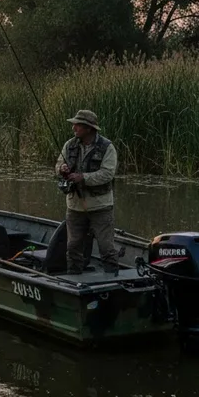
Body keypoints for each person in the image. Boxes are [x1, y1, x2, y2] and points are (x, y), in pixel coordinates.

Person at [55, 109, 119, 274]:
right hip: (75, 206)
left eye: (77, 125)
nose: (73, 128)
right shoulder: (69, 145)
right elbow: (58, 165)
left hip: (101, 207)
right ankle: (74, 279)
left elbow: (107, 174)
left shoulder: (107, 147)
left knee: (106, 248)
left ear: (89, 128)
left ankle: (112, 278)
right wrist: (61, 169)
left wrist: (83, 177)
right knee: (73, 246)